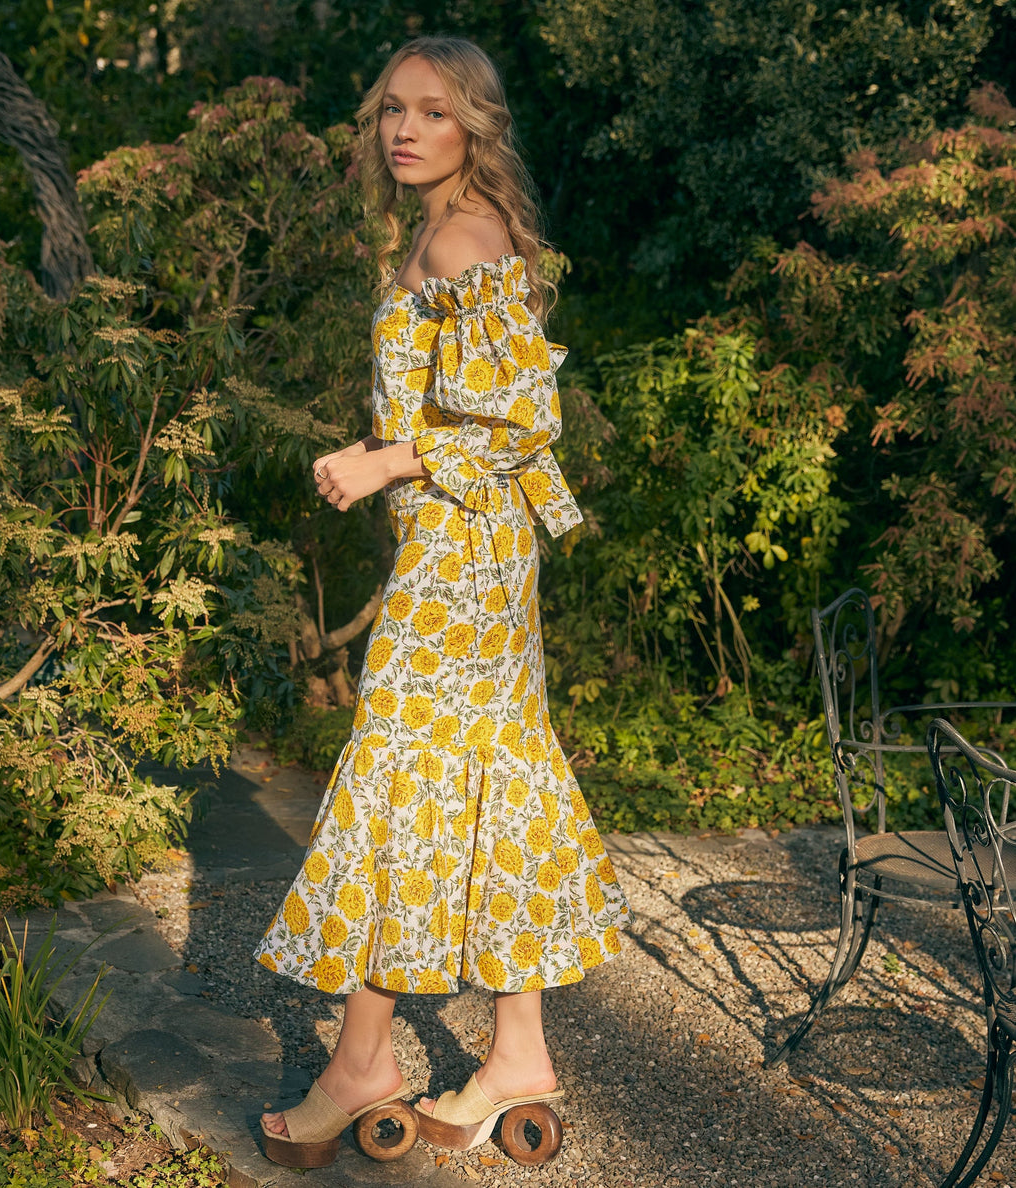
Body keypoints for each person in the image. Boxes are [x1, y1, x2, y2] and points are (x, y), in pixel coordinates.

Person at [254, 35, 632, 1169]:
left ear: (476, 126)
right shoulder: (436, 232)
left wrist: (385, 463)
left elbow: (522, 422)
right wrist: (389, 457)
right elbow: (459, 407)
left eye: (431, 112)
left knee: (400, 786)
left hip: (463, 563)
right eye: (390, 111)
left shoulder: (467, 237)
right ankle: (517, 1046)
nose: (403, 130)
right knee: (488, 781)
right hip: (466, 552)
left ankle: (363, 1059)